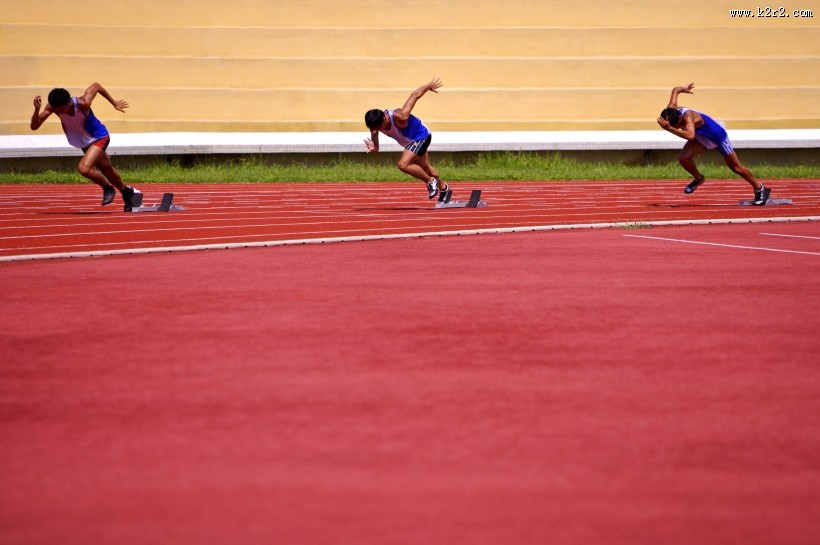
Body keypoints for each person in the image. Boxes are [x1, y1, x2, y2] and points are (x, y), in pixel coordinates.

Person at [30, 83, 142, 211]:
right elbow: (34, 126)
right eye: (57, 110)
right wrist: (36, 110)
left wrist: (114, 102)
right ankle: (128, 193)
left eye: (61, 109)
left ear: (68, 101)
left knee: (84, 168)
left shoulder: (83, 103)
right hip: (85, 142)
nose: (59, 112)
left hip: (99, 137)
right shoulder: (53, 107)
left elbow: (96, 86)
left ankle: (107, 188)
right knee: (107, 170)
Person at [657, 83, 770, 206]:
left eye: (677, 126)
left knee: (736, 167)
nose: (678, 128)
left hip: (717, 137)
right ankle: (699, 179)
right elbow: (675, 90)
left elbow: (690, 136)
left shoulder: (688, 117)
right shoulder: (671, 110)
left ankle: (759, 188)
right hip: (701, 137)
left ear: (680, 118)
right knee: (684, 158)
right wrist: (684, 89)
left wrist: (670, 129)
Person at [364, 78, 451, 202]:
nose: (375, 131)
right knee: (425, 168)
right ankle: (444, 188)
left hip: (421, 136)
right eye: (373, 129)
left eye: (378, 128)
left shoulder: (400, 116)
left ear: (384, 118)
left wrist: (428, 86)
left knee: (403, 164)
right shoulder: (375, 126)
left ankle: (430, 181)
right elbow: (376, 147)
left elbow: (414, 95)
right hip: (411, 143)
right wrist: (374, 148)